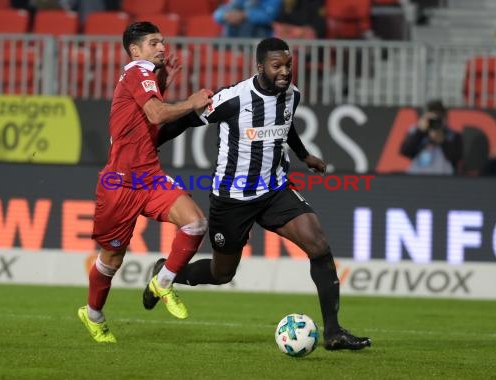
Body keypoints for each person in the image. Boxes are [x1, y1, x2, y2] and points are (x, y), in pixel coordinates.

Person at [143, 37, 372, 351]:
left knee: (319, 246)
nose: (285, 71)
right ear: (260, 66)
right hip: (231, 199)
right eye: (277, 65)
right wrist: (149, 145)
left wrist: (304, 155)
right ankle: (166, 272)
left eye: (288, 65)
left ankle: (333, 332)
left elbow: (286, 125)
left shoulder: (292, 96)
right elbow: (184, 120)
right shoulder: (233, 98)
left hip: (275, 190)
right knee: (222, 273)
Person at [77, 21, 213, 343]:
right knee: (112, 260)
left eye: (162, 42)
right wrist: (192, 102)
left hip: (149, 176)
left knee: (195, 223)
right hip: (119, 183)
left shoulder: (146, 75)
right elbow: (155, 115)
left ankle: (162, 282)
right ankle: (93, 314)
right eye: (154, 43)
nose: (162, 47)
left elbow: (144, 118)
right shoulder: (137, 70)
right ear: (135, 50)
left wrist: (165, 80)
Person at [400, 99, 463, 176]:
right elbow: (405, 151)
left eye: (438, 118)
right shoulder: (417, 131)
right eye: (431, 118)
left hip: (443, 178)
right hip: (418, 177)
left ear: (444, 118)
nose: (434, 122)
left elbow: (455, 158)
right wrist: (420, 132)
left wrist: (441, 140)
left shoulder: (453, 135)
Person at [213, 0, 283, 38]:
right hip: (234, 34)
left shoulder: (274, 1)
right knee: (233, 11)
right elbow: (217, 15)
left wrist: (245, 15)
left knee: (248, 20)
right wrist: (226, 15)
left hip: (260, 35)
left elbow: (269, 17)